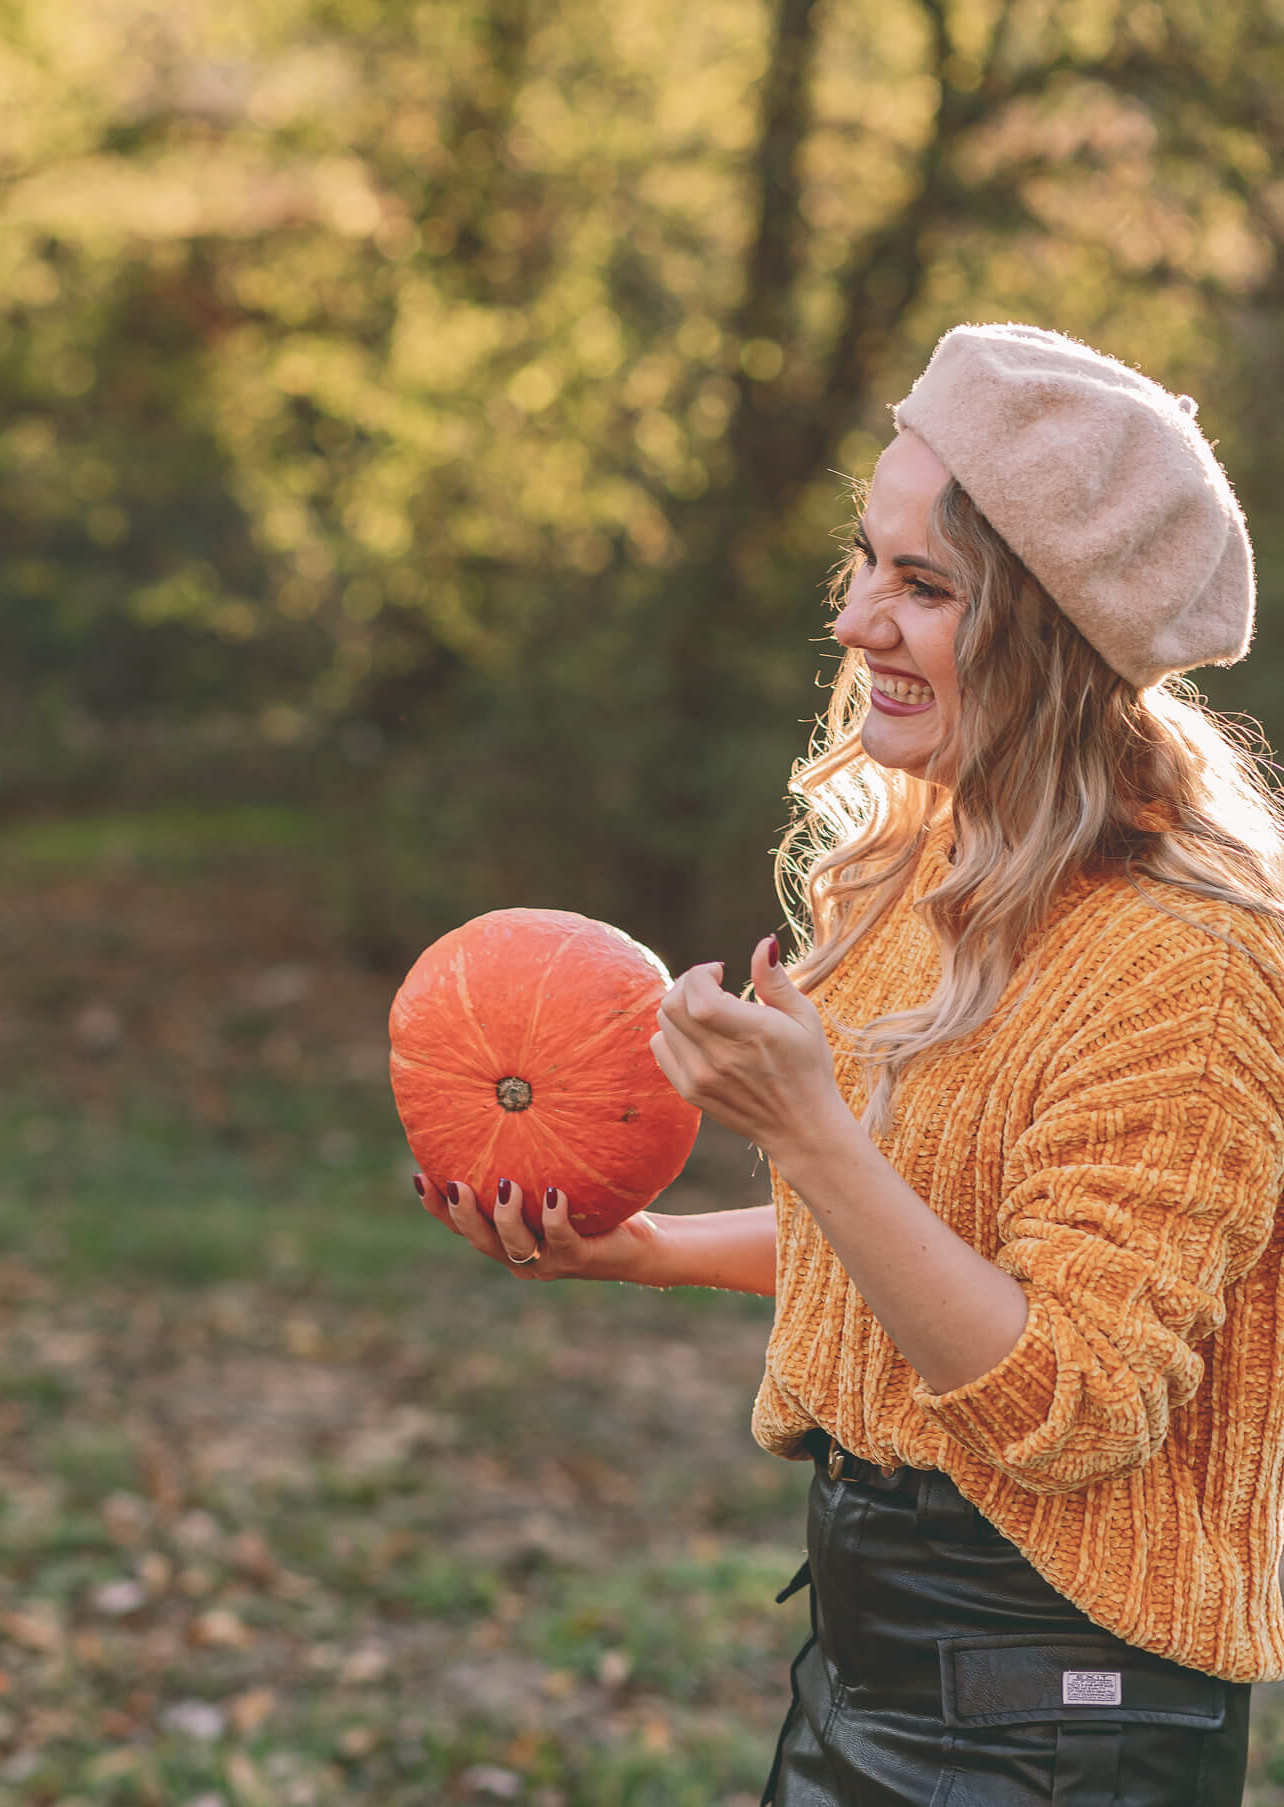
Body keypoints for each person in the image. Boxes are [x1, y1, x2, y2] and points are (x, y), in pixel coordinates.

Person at [415, 324, 1284, 1804]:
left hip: (1063, 1709)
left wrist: (810, 1130)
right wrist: (650, 1253)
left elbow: (1073, 1404)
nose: (860, 623)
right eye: (868, 562)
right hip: (874, 1655)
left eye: (926, 586)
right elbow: (929, 1259)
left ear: (1058, 635)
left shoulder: (1188, 969)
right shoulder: (918, 864)